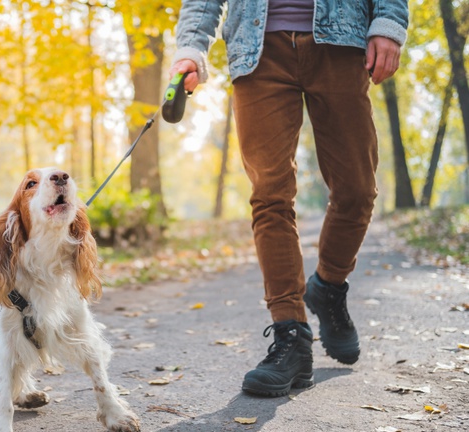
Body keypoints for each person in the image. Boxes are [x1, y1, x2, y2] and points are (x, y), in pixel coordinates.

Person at [170, 1, 409, 397]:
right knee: (270, 196)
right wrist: (191, 48)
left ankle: (329, 287)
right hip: (257, 48)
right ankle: (291, 334)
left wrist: (388, 21)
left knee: (357, 190)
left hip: (341, 41)